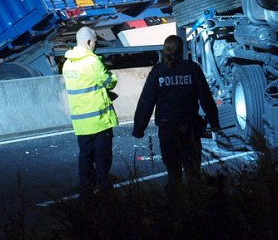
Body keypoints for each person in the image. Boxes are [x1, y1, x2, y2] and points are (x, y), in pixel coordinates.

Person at [132, 34, 220, 194]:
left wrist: (139, 128)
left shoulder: (157, 72)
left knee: (173, 172)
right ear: (182, 50)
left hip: (167, 129)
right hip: (189, 128)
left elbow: (146, 102)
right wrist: (214, 123)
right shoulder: (192, 69)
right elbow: (206, 98)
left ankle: (175, 206)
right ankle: (197, 206)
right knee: (193, 171)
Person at [62, 26, 119, 196]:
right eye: (94, 42)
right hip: (99, 119)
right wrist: (112, 78)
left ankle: (86, 189)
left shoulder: (67, 64)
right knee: (102, 156)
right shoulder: (92, 62)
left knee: (85, 156)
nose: (95, 45)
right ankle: (104, 187)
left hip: (81, 121)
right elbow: (109, 82)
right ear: (88, 42)